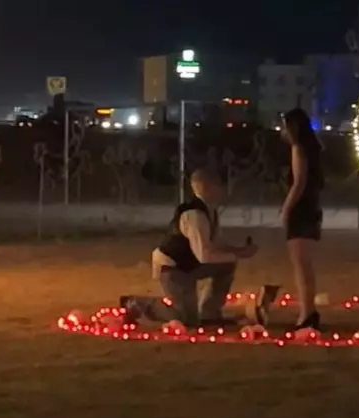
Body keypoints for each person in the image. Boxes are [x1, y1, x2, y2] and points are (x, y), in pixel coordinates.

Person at [121, 167, 263, 327]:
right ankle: (137, 303)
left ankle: (210, 312)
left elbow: (214, 244)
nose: (223, 189)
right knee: (186, 320)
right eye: (219, 184)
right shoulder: (195, 215)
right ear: (206, 186)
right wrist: (237, 254)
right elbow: (204, 255)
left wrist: (238, 251)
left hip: (188, 264)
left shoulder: (210, 212)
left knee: (226, 264)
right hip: (172, 268)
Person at [280, 108, 324, 330]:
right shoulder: (313, 150)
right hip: (312, 207)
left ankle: (306, 315)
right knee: (305, 265)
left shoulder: (298, 149)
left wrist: (286, 209)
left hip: (301, 210)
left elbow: (299, 182)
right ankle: (310, 312)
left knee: (301, 266)